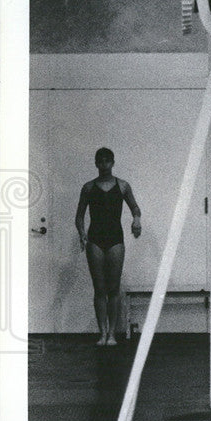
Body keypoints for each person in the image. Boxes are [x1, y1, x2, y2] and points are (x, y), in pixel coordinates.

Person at [75, 148, 142, 347]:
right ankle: (102, 333)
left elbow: (135, 208)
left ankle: (112, 333)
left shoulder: (122, 186)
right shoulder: (88, 188)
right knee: (99, 288)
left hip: (115, 240)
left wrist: (136, 220)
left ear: (113, 163)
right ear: (96, 164)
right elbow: (79, 216)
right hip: (95, 240)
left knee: (113, 287)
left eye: (107, 161)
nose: (104, 165)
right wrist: (82, 233)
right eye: (100, 161)